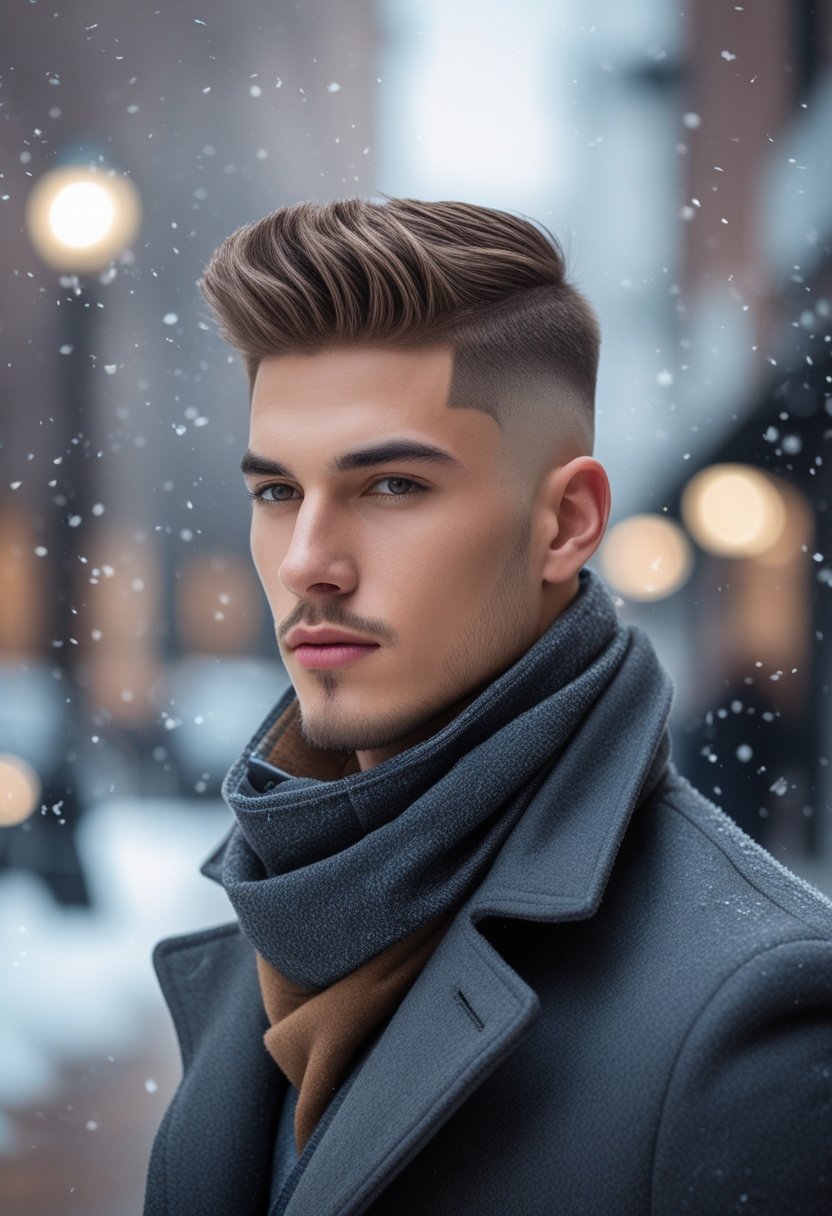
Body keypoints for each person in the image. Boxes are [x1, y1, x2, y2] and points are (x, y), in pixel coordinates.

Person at [143, 197, 832, 1216]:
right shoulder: (298, 912)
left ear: (565, 522)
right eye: (278, 492)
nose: (306, 564)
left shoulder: (749, 1016)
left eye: (389, 488)